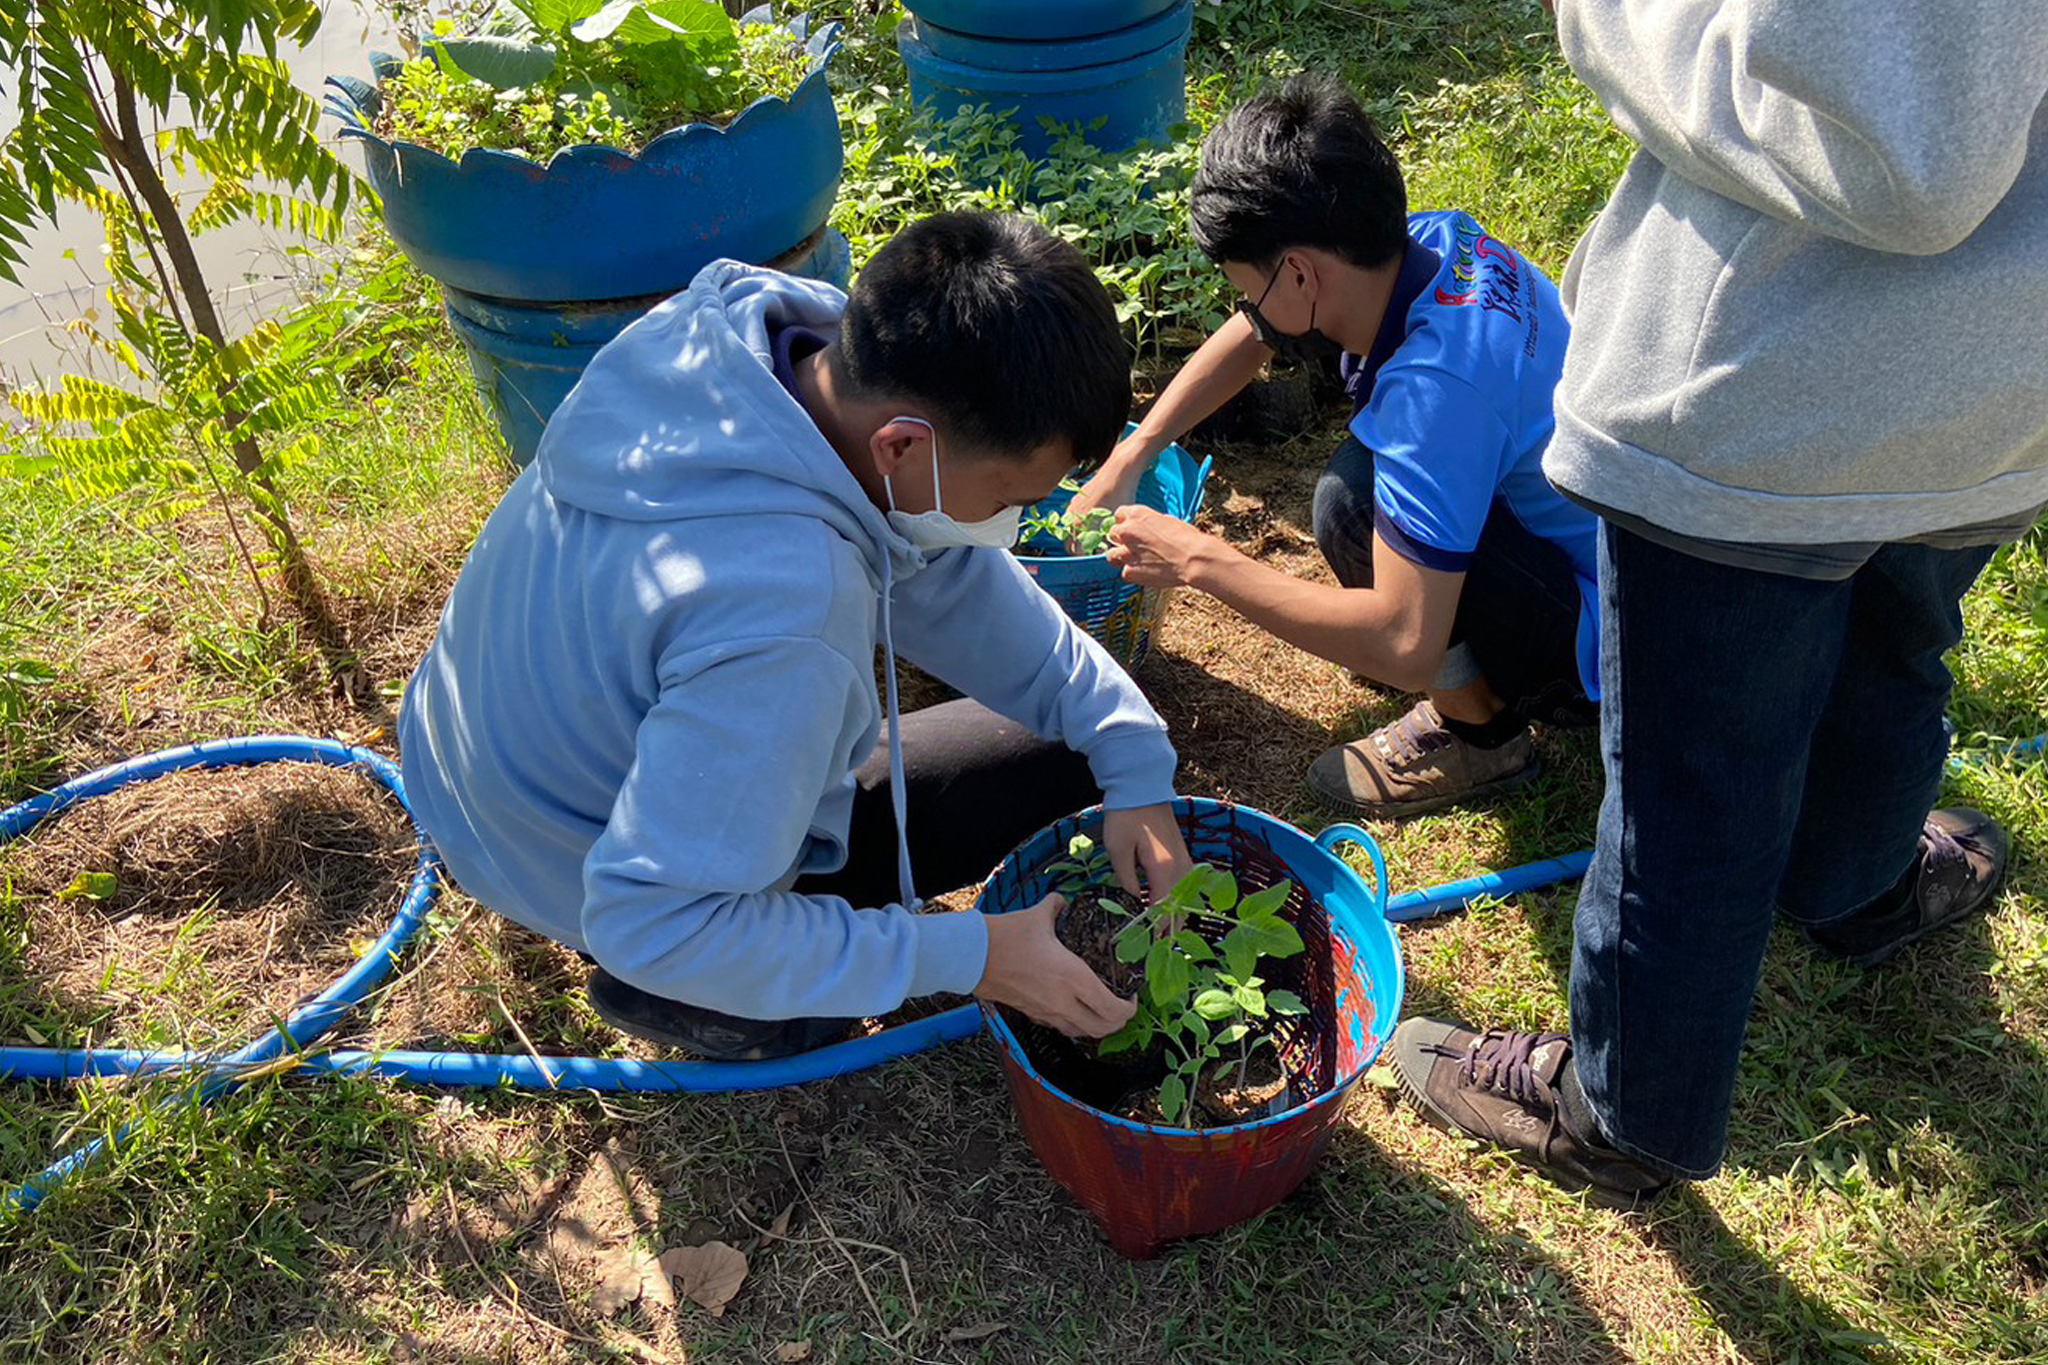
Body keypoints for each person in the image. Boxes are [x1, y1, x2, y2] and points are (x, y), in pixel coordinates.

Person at [1390, 2, 2047, 1205]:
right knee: (1893, 649)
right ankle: (1855, 891)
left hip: (1766, 394)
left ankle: (1620, 1116)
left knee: (1692, 784)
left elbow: (1914, 156)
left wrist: (1613, 21)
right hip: (2003, 376)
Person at [399, 211, 1194, 1062]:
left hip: (485, 769)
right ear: (902, 445)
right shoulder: (784, 621)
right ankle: (693, 990)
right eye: (1010, 494)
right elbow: (650, 920)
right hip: (585, 874)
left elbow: (952, 578)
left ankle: (714, 906)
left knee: (1076, 749)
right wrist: (975, 954)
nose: (1018, 519)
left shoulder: (771, 349)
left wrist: (1131, 753)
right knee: (711, 939)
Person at [1083, 76, 1601, 818]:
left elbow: (1406, 641)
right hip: (1612, 542)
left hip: (1604, 633)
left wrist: (1199, 560)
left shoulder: (1434, 397)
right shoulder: (1433, 241)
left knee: (1349, 507)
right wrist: (1134, 453)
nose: (1250, 309)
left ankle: (1479, 731)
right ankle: (1476, 662)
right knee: (1365, 483)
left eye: (1247, 287)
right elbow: (1258, 332)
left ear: (1297, 271)